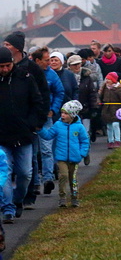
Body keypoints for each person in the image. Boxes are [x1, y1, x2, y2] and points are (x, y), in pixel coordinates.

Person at [0, 47, 44, 224]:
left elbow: (37, 102)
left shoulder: (25, 78)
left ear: (12, 63)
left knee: (25, 174)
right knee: (4, 173)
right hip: (1, 138)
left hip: (24, 135)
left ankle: (18, 200)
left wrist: (33, 124)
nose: (4, 69)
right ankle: (8, 207)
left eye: (7, 65)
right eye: (1, 66)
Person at [37, 100, 89, 208]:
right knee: (63, 176)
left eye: (65, 113)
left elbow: (84, 141)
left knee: (73, 179)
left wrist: (82, 154)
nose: (63, 115)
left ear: (72, 115)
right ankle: (62, 197)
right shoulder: (58, 125)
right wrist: (40, 130)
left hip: (75, 158)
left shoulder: (79, 127)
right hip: (61, 158)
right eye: (62, 113)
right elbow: (48, 135)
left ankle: (75, 198)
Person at [31, 48, 65, 196]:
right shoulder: (27, 73)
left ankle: (48, 179)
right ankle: (35, 182)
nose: (49, 62)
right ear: (37, 61)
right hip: (30, 117)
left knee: (46, 149)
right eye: (46, 60)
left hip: (46, 117)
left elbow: (60, 92)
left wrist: (54, 109)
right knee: (33, 152)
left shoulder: (51, 74)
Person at [67, 54, 98, 165]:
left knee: (85, 133)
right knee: (73, 134)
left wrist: (94, 107)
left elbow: (92, 93)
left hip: (85, 109)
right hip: (71, 111)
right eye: (74, 65)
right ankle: (75, 155)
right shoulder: (67, 77)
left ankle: (85, 151)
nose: (77, 66)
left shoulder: (86, 77)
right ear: (69, 66)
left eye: (78, 64)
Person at [98, 72, 121, 149]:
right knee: (109, 126)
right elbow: (99, 96)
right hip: (106, 110)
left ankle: (117, 140)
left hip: (116, 110)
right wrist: (98, 101)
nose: (107, 81)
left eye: (109, 79)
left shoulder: (118, 88)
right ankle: (110, 141)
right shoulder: (104, 87)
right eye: (106, 79)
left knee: (115, 124)